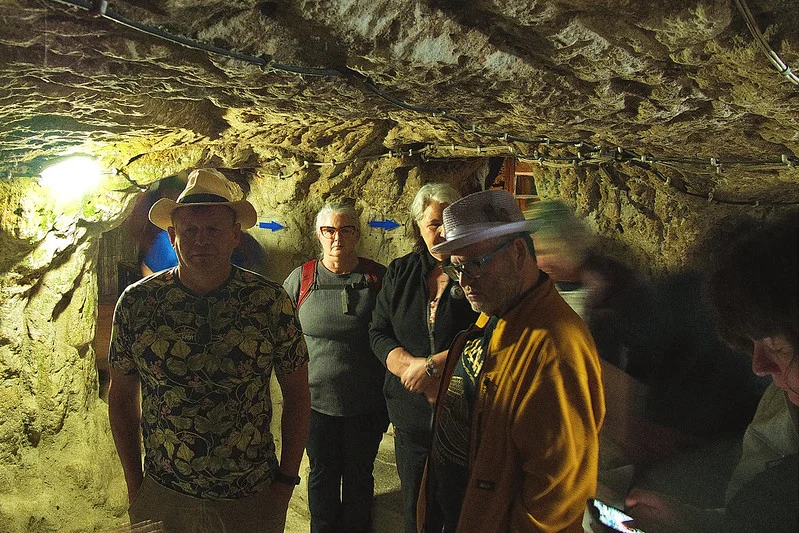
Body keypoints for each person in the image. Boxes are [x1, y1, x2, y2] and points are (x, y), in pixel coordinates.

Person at [107, 168, 310, 533]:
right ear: (172, 236)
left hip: (250, 497)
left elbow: (298, 396)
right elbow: (121, 397)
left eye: (214, 229)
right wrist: (136, 486)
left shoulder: (268, 301)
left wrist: (284, 485)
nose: (202, 240)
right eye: (191, 231)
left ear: (235, 234)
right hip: (164, 494)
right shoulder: (137, 304)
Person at [418, 189, 606, 533]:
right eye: (456, 268)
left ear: (518, 252)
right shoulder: (496, 314)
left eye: (474, 265)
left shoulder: (556, 346)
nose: (464, 282)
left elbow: (556, 495)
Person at [617, 211, 799, 533]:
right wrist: (691, 521)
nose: (759, 367)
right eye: (752, 345)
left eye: (777, 346)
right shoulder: (781, 407)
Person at [369, 183, 479, 533]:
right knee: (414, 511)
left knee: (459, 511)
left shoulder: (476, 270)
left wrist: (435, 366)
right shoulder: (400, 272)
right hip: (411, 421)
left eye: (450, 221)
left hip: (462, 422)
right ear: (418, 226)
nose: (444, 231)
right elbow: (377, 332)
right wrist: (409, 366)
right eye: (434, 223)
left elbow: (488, 334)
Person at [283, 202, 388, 533]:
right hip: (315, 404)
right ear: (319, 235)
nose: (337, 238)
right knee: (322, 474)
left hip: (366, 405)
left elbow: (394, 334)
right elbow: (281, 334)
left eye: (345, 230)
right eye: (329, 230)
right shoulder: (302, 279)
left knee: (359, 475)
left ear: (357, 234)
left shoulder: (377, 278)